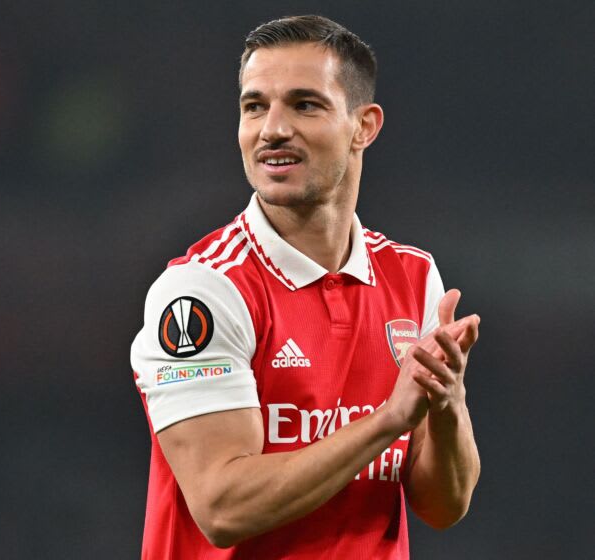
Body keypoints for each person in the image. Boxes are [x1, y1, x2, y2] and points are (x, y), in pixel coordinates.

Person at [130, 14, 481, 559]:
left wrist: (447, 404)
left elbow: (444, 505)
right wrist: (388, 420)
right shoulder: (203, 290)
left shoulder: (413, 278)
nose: (271, 128)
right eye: (254, 106)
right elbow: (224, 508)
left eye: (304, 104)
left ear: (363, 125)